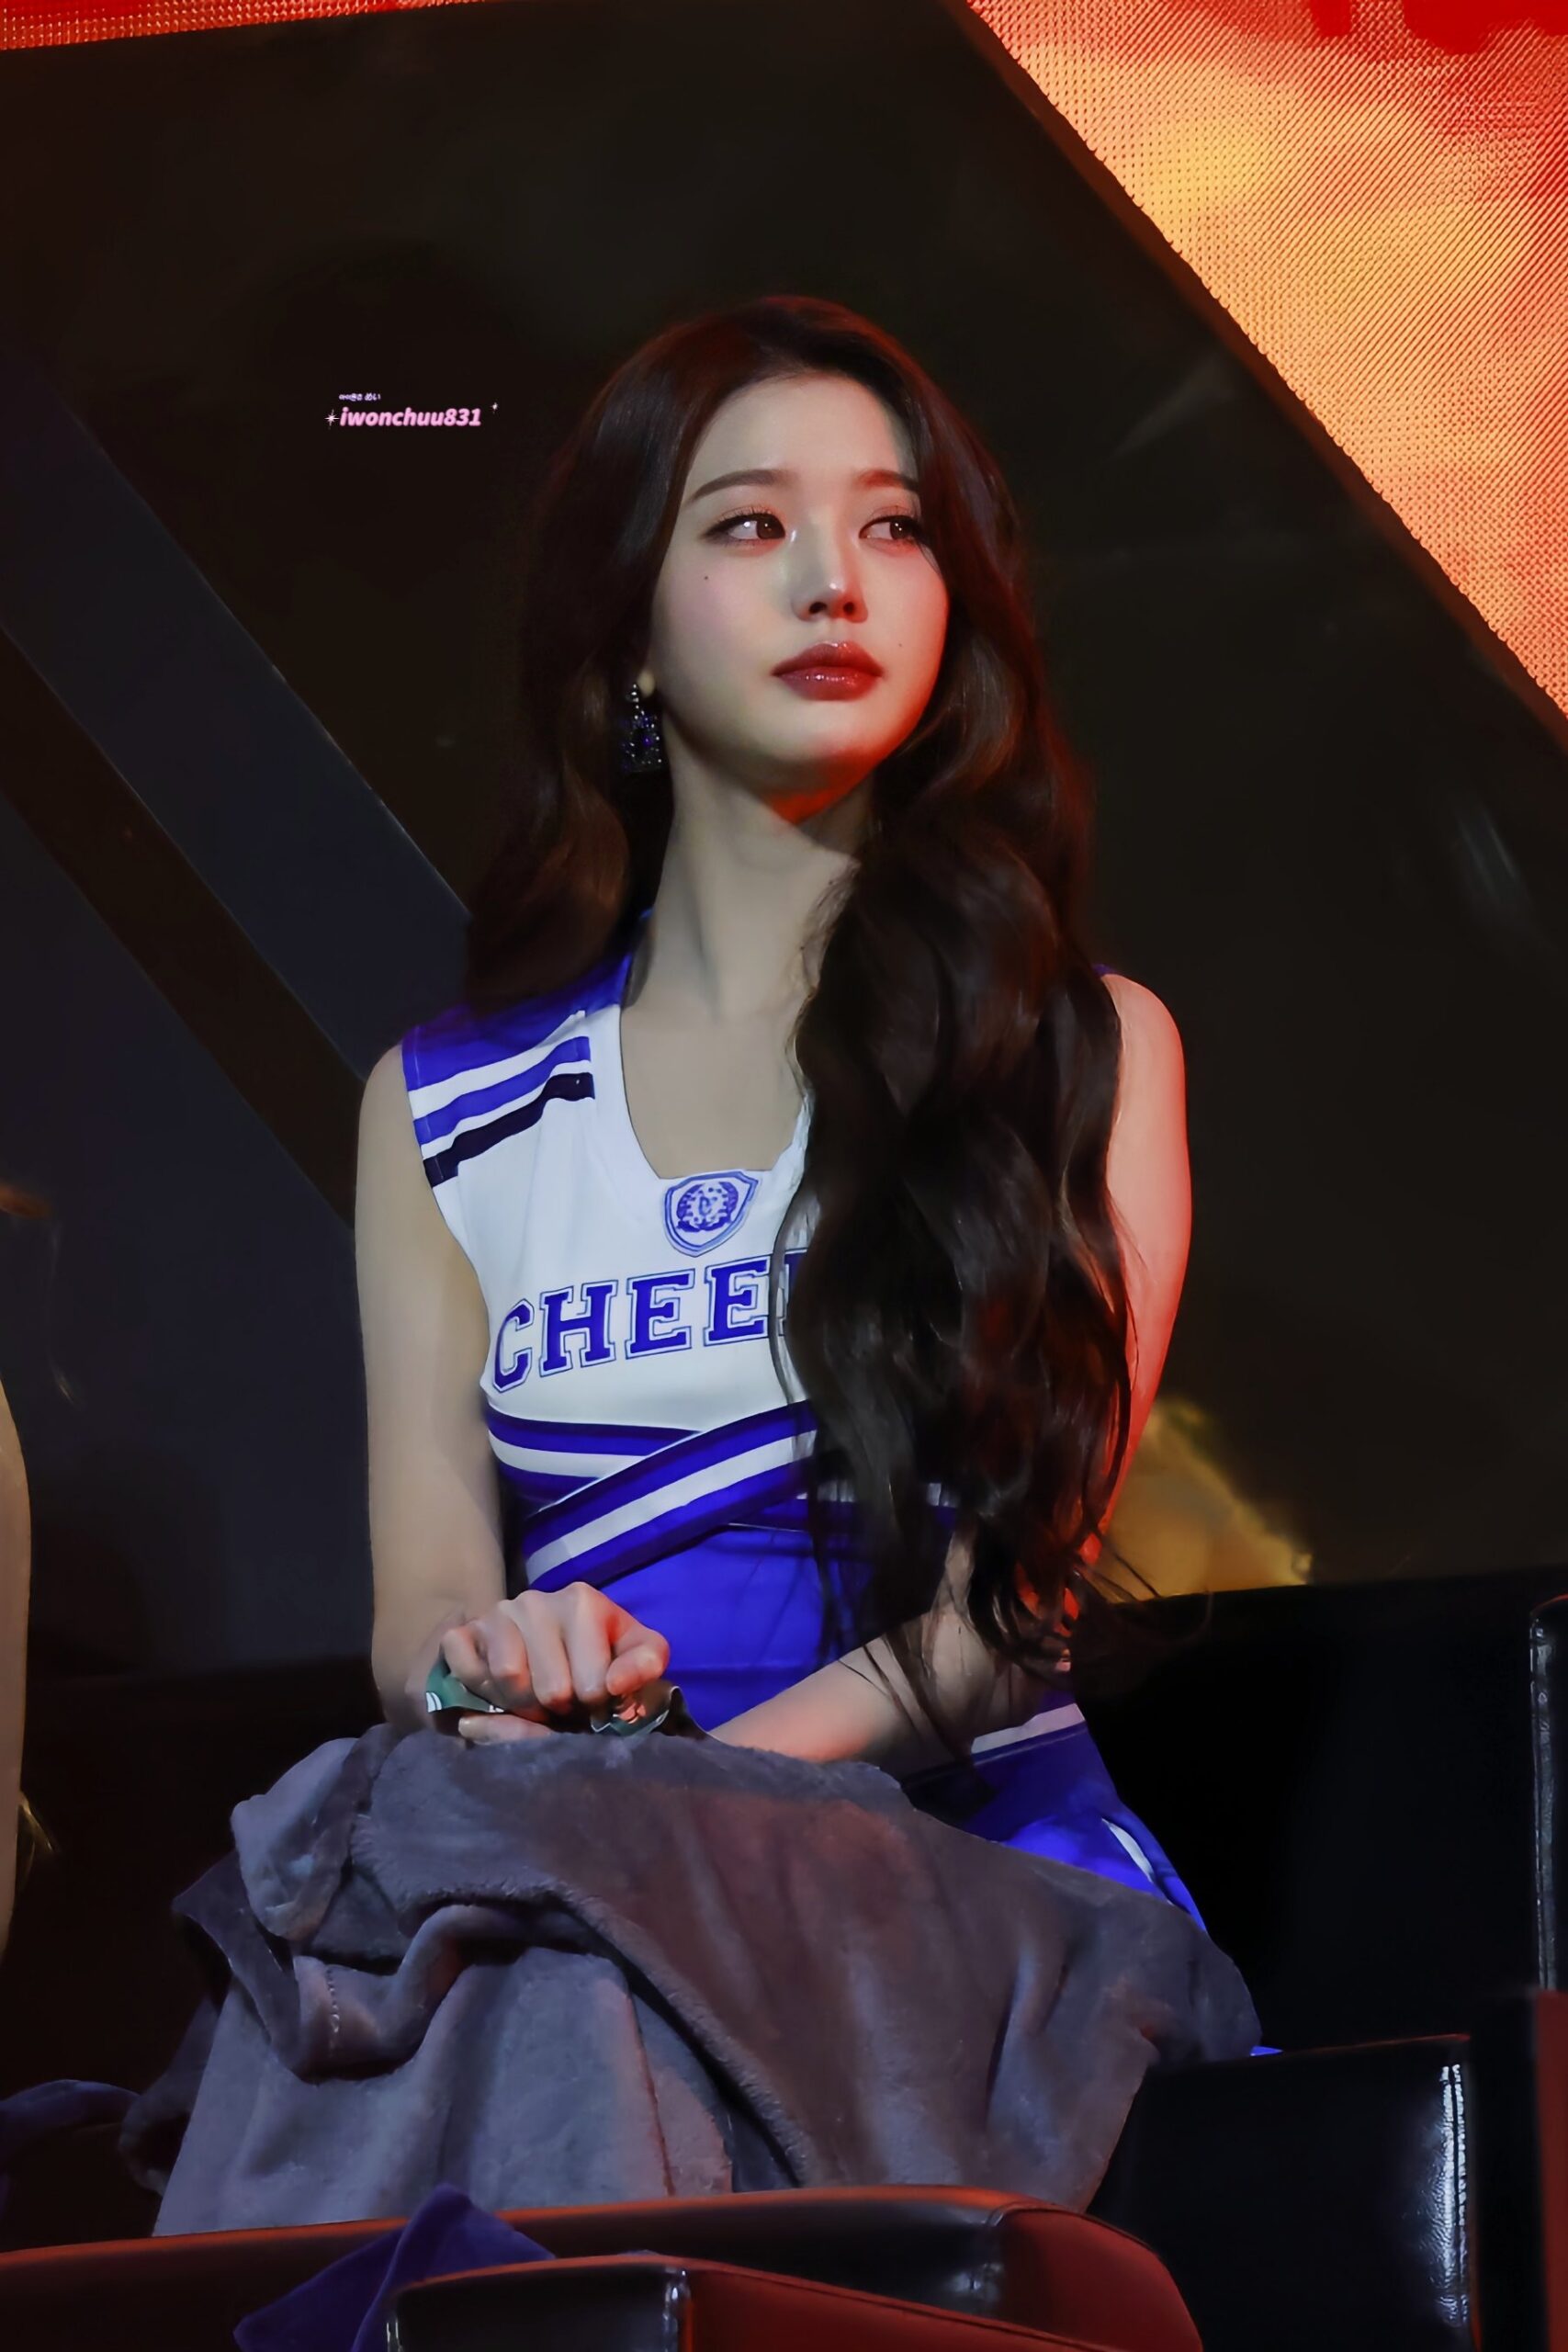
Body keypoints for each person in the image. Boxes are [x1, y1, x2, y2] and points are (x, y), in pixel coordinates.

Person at [355, 294, 1201, 1914]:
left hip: (971, 1897)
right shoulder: (446, 1110)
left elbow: (1002, 1624)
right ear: (626, 630)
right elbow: (423, 1632)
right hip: (596, 1895)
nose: (835, 582)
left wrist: (680, 1802)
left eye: (895, 527)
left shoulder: (1076, 1051)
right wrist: (501, 1677)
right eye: (751, 525)